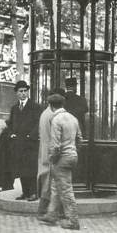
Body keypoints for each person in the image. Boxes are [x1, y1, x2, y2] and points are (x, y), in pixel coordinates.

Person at [38, 90, 82, 230]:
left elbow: (55, 145)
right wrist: (73, 151)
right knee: (55, 186)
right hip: (71, 155)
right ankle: (52, 214)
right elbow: (79, 138)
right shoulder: (73, 118)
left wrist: (52, 158)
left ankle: (73, 220)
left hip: (61, 158)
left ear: (51, 106)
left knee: (66, 189)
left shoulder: (56, 119)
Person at [7, 80, 42, 201]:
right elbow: (10, 124)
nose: (23, 93)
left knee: (31, 169)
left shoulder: (35, 107)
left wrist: (30, 136)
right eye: (20, 91)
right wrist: (11, 134)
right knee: (21, 169)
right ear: (16, 93)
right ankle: (25, 192)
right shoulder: (14, 108)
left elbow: (39, 124)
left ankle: (33, 192)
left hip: (30, 144)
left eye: (25, 91)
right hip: (18, 144)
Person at [37, 88, 66, 218]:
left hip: (44, 150)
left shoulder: (44, 113)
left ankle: (47, 210)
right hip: (51, 152)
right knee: (50, 183)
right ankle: (44, 210)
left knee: (47, 181)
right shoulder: (53, 116)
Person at [0, 119, 15, 191]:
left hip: (5, 155)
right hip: (9, 155)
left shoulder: (5, 132)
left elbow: (1, 143)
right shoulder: (9, 132)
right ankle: (9, 185)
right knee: (10, 171)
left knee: (6, 170)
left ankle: (6, 186)